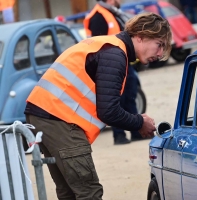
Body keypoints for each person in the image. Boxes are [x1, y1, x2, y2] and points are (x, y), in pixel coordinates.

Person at [24, 12, 172, 200]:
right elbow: (108, 111)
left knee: (69, 192)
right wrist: (139, 122)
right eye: (159, 45)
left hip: (44, 115)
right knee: (88, 192)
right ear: (141, 36)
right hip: (58, 118)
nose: (159, 54)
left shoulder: (107, 46)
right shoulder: (115, 55)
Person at [84, 0, 147, 145]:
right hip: (112, 64)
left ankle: (136, 132)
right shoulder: (98, 17)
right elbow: (98, 44)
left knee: (130, 96)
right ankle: (119, 135)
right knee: (116, 100)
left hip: (124, 62)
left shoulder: (112, 12)